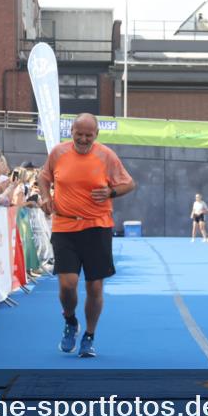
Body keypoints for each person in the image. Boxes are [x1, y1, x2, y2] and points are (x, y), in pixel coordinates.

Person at [38, 113, 136, 358]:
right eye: (78, 134)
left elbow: (129, 183)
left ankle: (89, 336)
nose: (83, 139)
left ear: (96, 135)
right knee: (67, 285)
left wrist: (111, 192)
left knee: (94, 286)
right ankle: (70, 320)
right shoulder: (58, 153)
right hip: (65, 227)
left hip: (97, 227)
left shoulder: (106, 155)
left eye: (88, 135)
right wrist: (46, 198)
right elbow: (43, 177)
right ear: (71, 131)